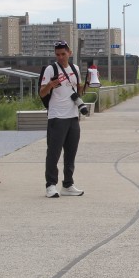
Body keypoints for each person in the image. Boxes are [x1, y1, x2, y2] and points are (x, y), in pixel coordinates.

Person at [40, 40, 85, 198]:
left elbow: (78, 91)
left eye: (63, 54)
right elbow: (41, 93)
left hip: (73, 116)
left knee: (71, 153)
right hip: (57, 116)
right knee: (54, 153)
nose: (60, 57)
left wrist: (89, 82)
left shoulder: (75, 68)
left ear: (69, 53)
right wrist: (50, 85)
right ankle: (51, 185)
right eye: (57, 54)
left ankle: (68, 184)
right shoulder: (50, 69)